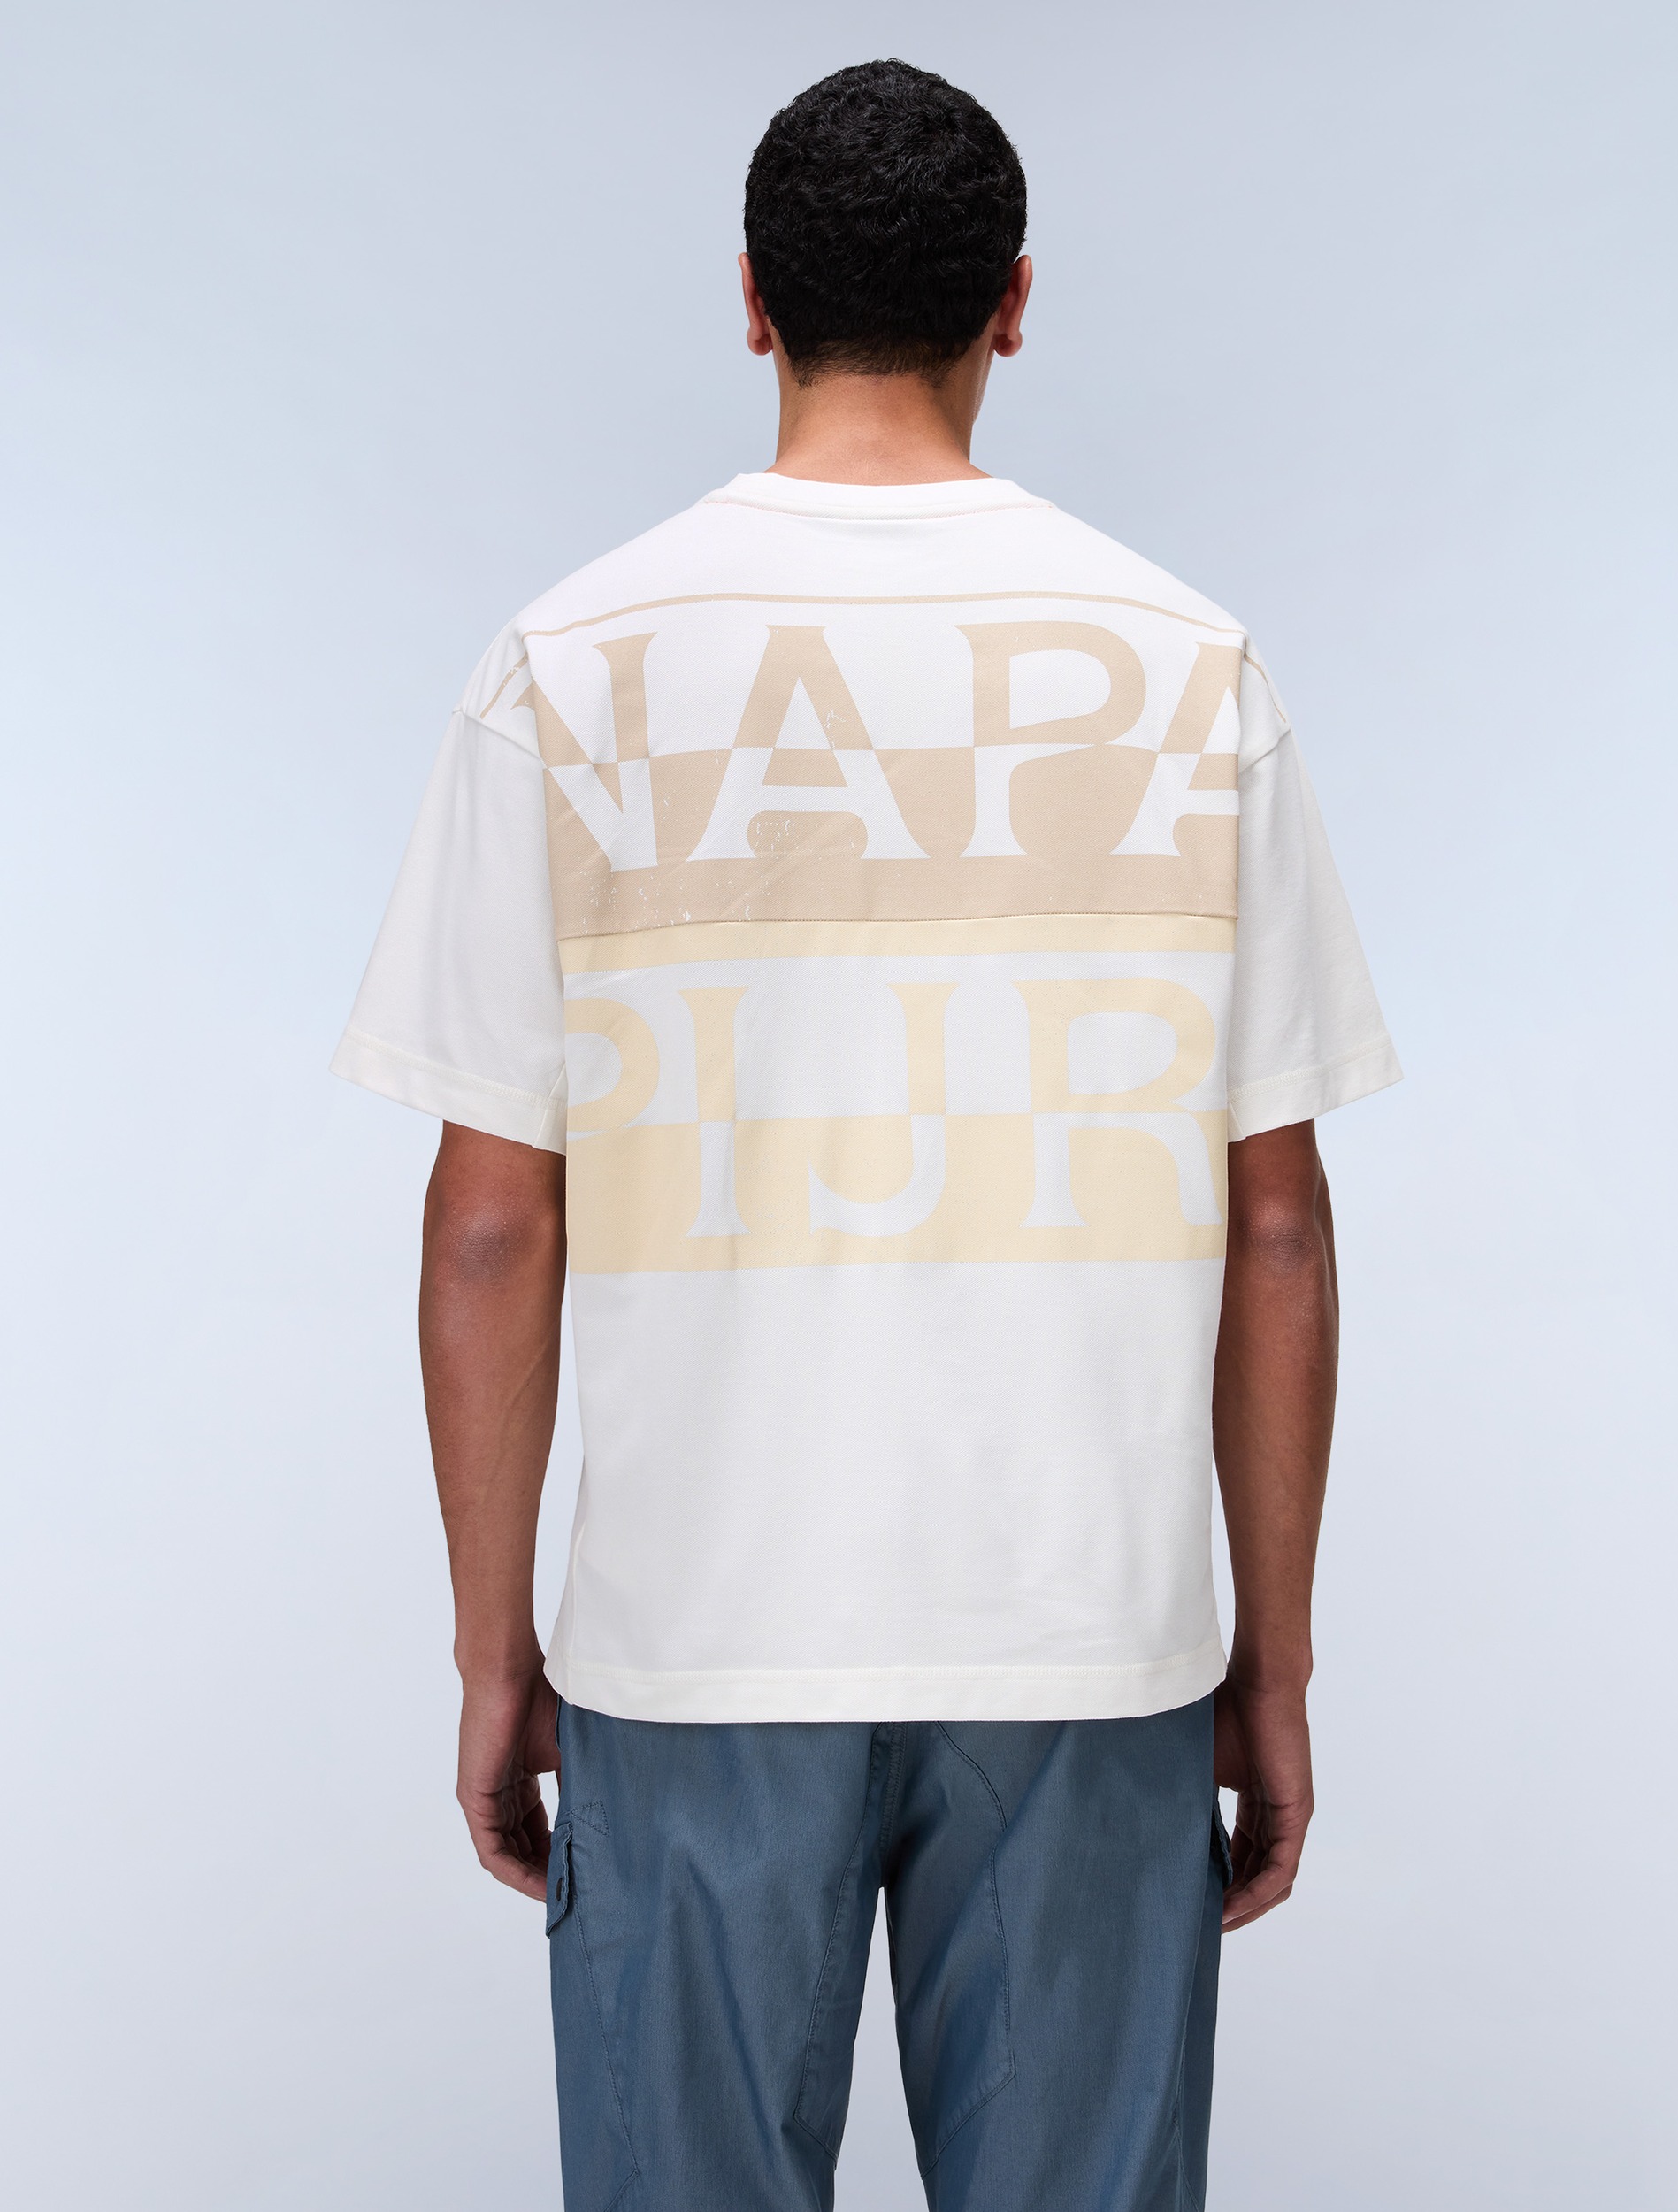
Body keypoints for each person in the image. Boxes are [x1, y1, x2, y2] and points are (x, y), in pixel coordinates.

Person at [334, 56, 1398, 2212]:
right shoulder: (1188, 666)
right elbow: (1274, 1222)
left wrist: (490, 1647)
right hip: (1086, 1626)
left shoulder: (573, 663)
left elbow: (489, 1226)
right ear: (1015, 300)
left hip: (696, 1630)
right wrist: (1272, 1660)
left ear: (751, 299)